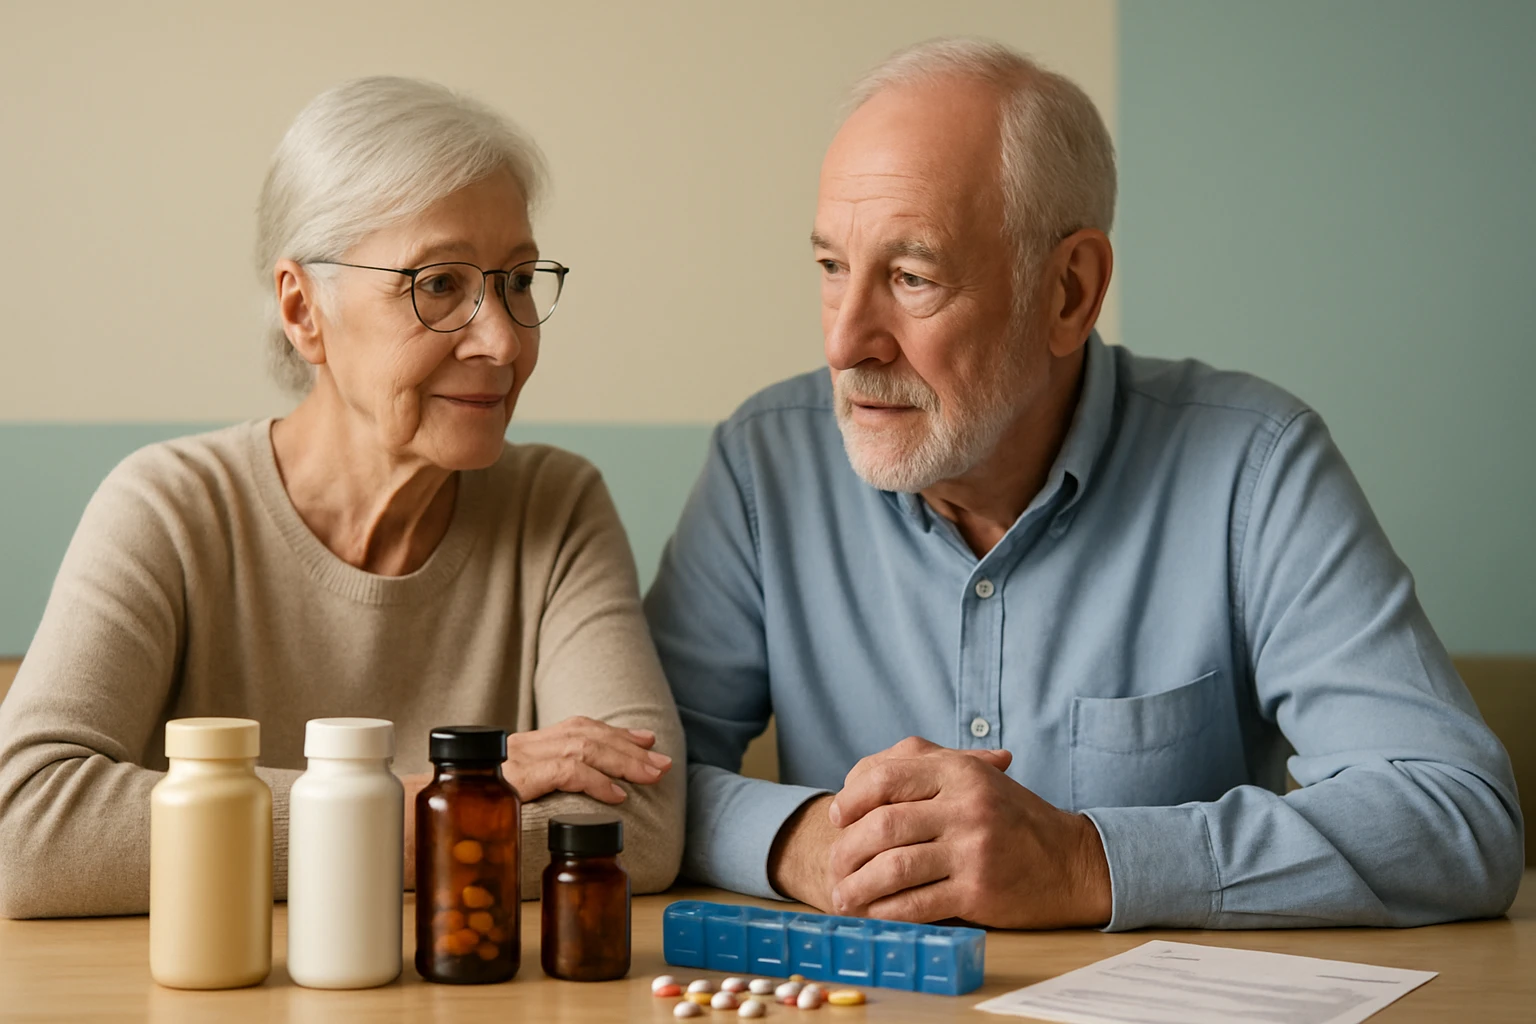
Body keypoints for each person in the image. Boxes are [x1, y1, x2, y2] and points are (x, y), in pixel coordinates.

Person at [644, 39, 1523, 931]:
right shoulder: (766, 464)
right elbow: (638, 780)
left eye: (911, 277)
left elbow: (1457, 818)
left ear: (1068, 291)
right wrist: (805, 838)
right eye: (833, 268)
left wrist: (1083, 861)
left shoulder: (1253, 467)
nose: (845, 343)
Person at [0, 77, 684, 918]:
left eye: (515, 281)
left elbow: (638, 828)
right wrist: (449, 798)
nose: (503, 339)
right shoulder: (171, 509)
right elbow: (27, 833)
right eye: (437, 285)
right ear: (303, 309)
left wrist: (292, 834)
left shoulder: (557, 505)